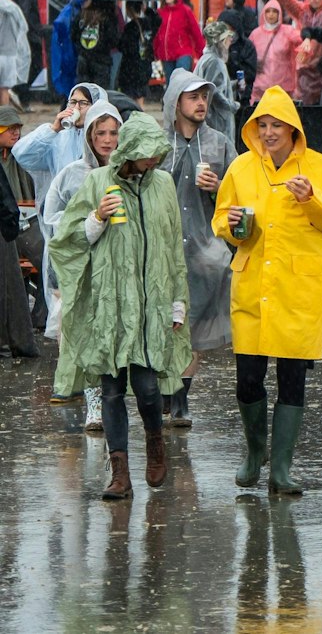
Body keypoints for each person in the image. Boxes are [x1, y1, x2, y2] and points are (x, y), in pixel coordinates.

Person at [214, 87, 322, 494]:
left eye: (278, 125)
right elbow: (221, 218)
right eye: (264, 125)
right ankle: (254, 452)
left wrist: (311, 201)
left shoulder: (320, 168)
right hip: (252, 283)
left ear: (294, 129)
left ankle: (281, 468)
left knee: (292, 378)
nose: (270, 132)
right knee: (248, 378)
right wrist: (232, 223)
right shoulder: (241, 168)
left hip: (297, 289)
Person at [48, 113, 190, 498]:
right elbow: (67, 241)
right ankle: (120, 472)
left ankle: (156, 444)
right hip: (109, 306)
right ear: (130, 151)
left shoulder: (163, 185)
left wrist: (177, 303)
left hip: (149, 307)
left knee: (147, 388)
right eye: (147, 154)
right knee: (110, 390)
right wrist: (96, 219)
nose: (153, 161)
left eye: (157, 154)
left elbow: (173, 246)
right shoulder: (97, 182)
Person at [159, 71, 235, 425]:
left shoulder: (220, 143)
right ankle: (163, 393)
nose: (202, 103)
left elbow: (242, 196)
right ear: (176, 102)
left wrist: (219, 186)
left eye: (205, 96)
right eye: (193, 97)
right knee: (163, 324)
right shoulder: (158, 143)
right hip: (162, 250)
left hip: (206, 250)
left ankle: (181, 397)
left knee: (195, 327)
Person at [43, 97, 122, 424]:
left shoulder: (130, 173)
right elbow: (52, 219)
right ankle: (93, 403)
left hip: (119, 267)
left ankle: (114, 401)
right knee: (88, 334)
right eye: (100, 132)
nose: (106, 140)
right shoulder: (71, 174)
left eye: (113, 133)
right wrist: (89, 222)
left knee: (116, 334)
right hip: (82, 268)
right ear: (89, 135)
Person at [0, 107, 38, 359]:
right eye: (9, 128)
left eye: (18, 129)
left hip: (23, 225)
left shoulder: (22, 158)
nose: (15, 133)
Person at [196, 21, 241, 138]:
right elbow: (213, 91)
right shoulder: (215, 62)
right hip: (216, 122)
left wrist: (233, 85)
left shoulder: (206, 59)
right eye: (228, 37)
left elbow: (215, 85)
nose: (231, 41)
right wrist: (232, 106)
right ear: (221, 41)